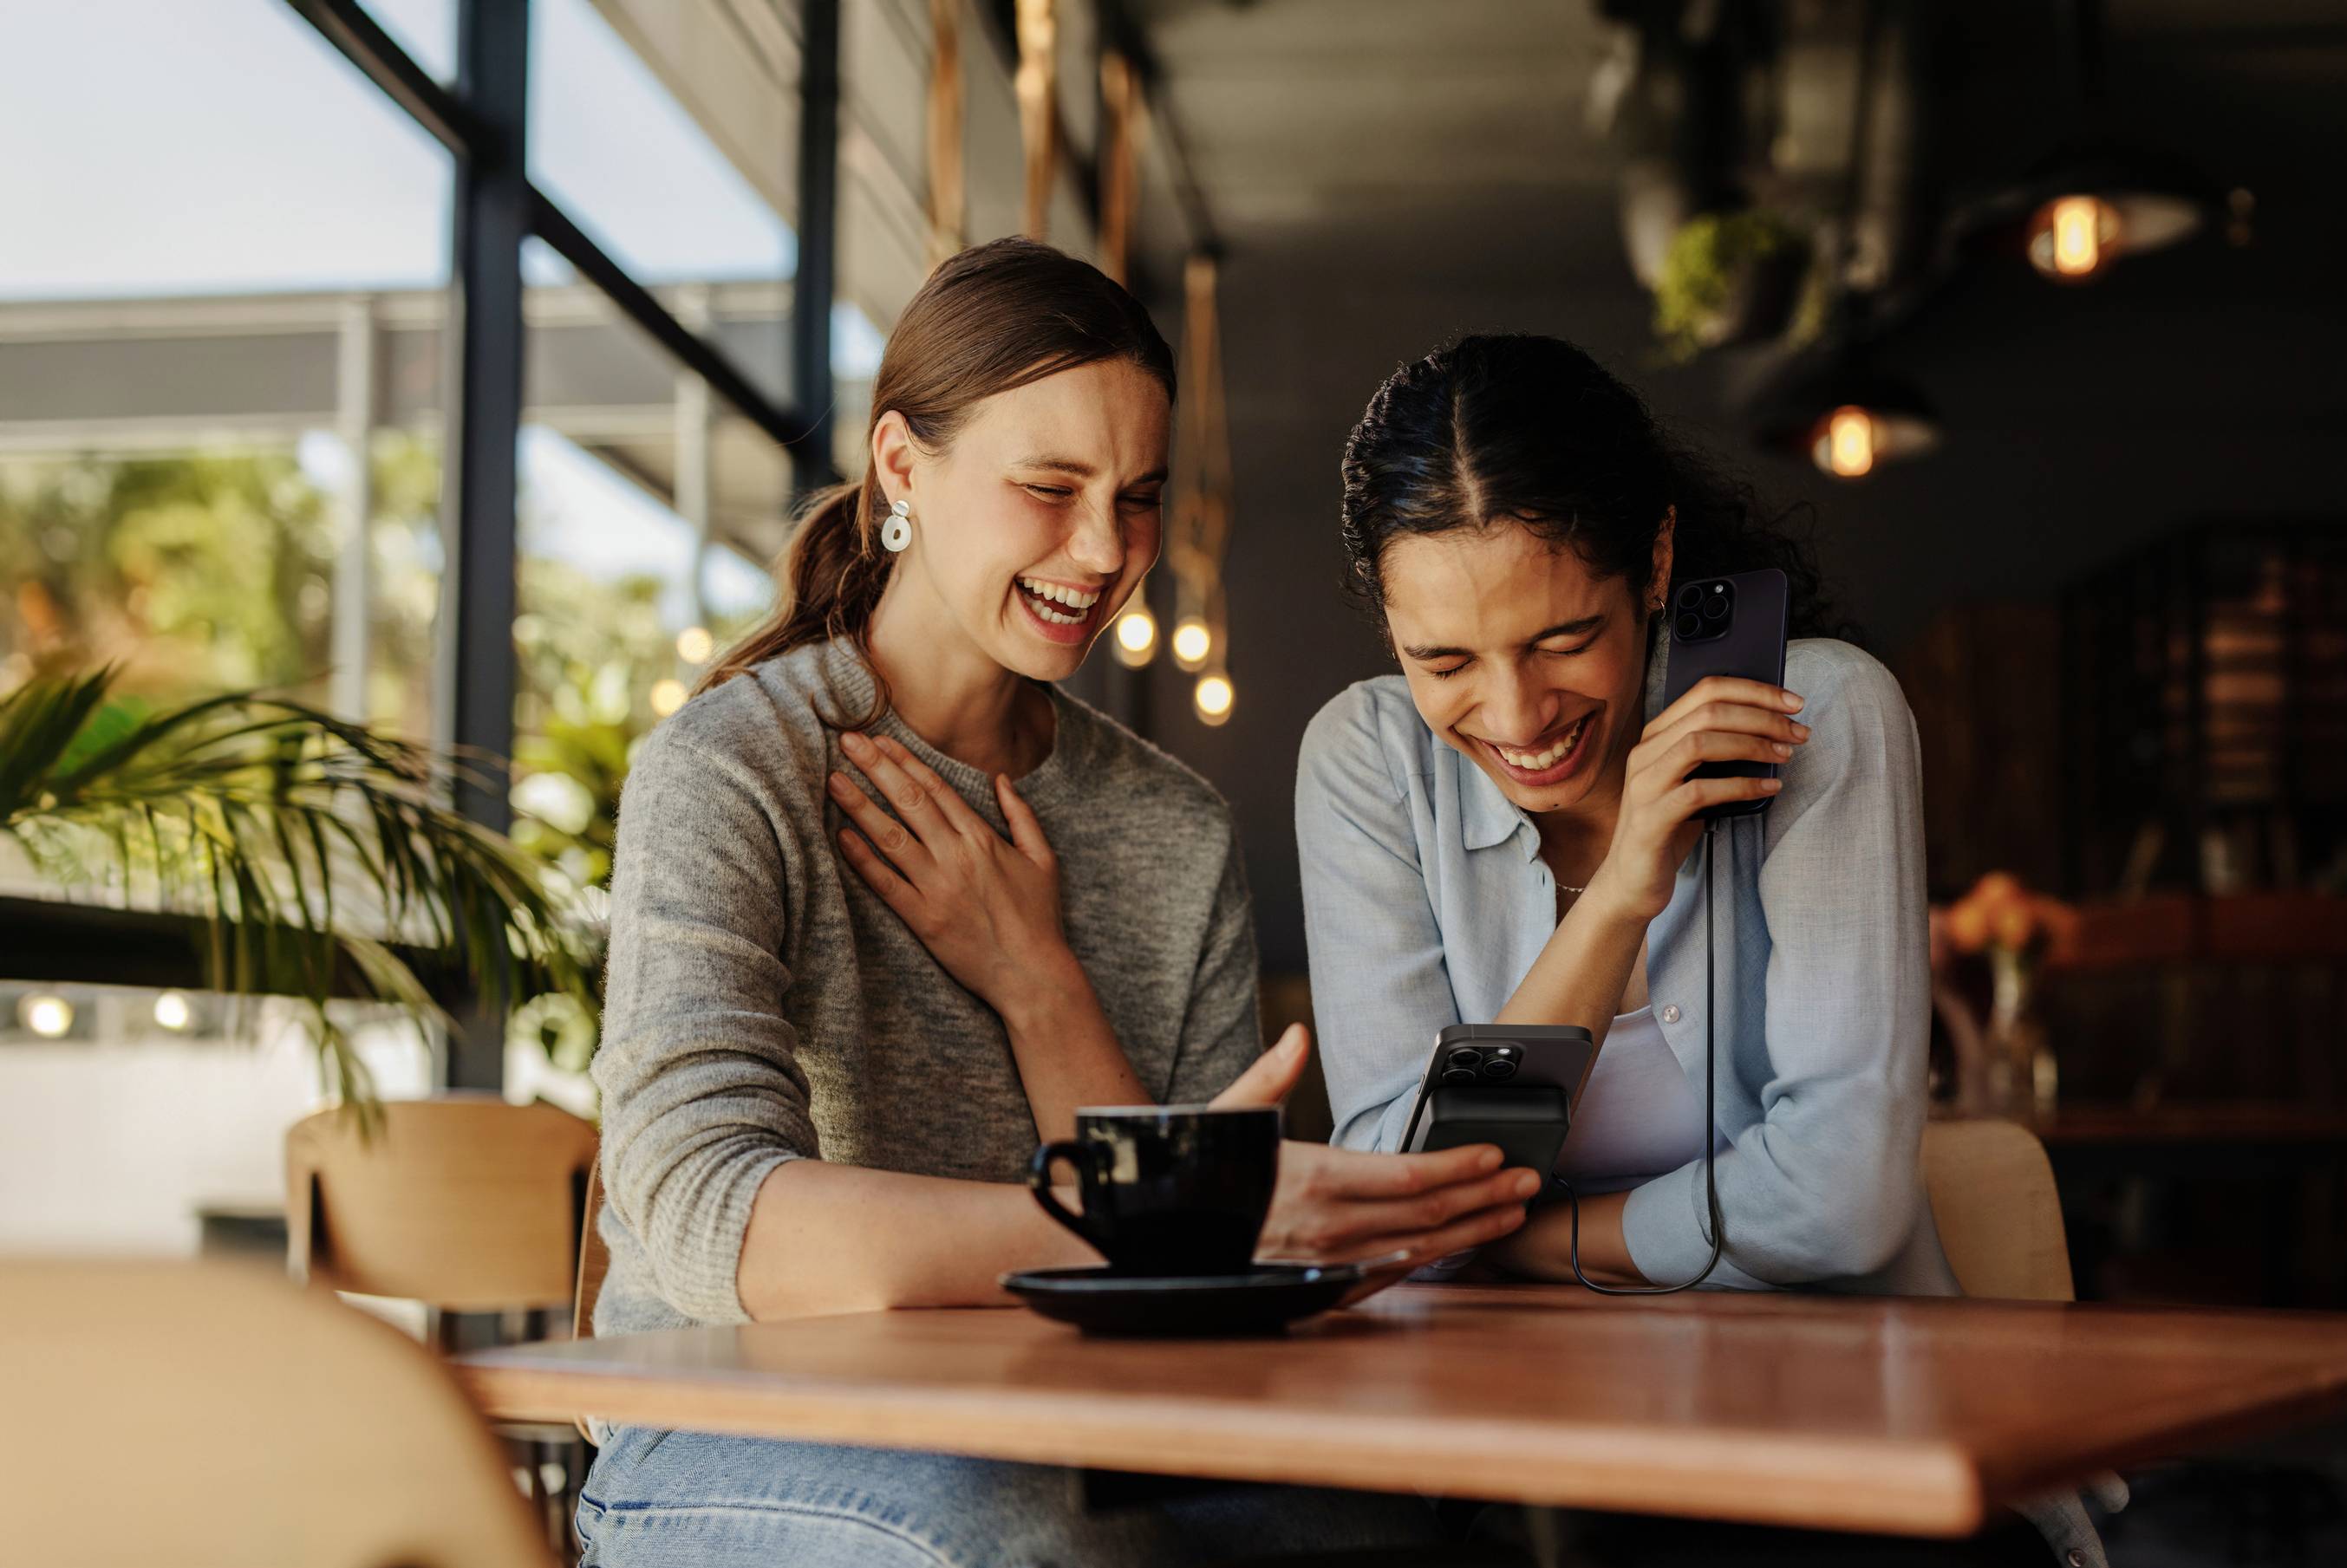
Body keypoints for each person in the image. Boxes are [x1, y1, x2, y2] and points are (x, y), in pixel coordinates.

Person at [577, 240, 1535, 1568]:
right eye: (1049, 488)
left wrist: (1040, 979)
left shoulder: (1171, 829)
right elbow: (706, 1207)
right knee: (1035, 1545)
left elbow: (1187, 1300)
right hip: (724, 1423)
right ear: (902, 468)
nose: (1105, 552)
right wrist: (1139, 1224)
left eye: (1138, 497)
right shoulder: (734, 768)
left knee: (1400, 1532)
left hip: (1059, 1419)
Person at [1298, 334, 2113, 1565]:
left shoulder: (1822, 716)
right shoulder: (1366, 766)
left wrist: (1526, 1241)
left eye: (1564, 636)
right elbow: (1394, 1206)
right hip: (1526, 1463)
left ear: (1658, 561)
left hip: (1856, 1456)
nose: (1515, 717)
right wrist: (1622, 890)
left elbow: (1842, 1204)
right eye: (1446, 661)